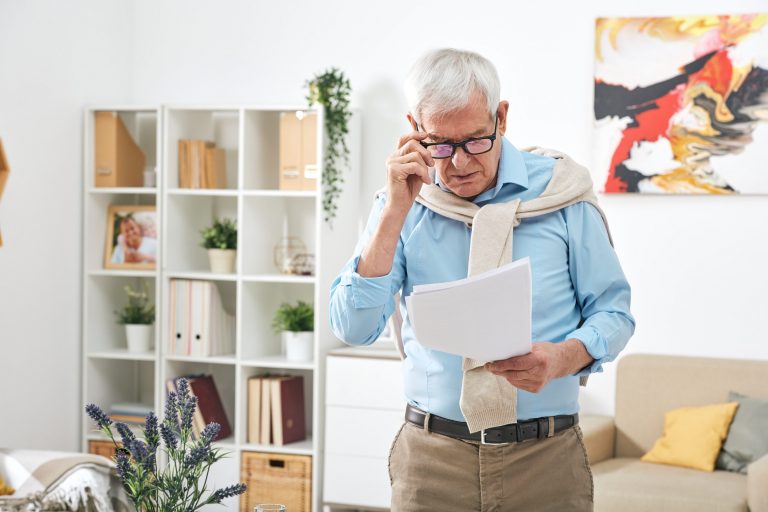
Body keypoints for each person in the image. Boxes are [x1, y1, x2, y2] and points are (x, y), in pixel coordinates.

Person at [329, 48, 635, 511]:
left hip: (545, 459)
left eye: (475, 140)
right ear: (414, 130)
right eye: (440, 145)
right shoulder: (402, 204)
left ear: (502, 118)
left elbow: (614, 314)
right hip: (432, 460)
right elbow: (353, 327)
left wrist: (564, 357)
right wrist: (394, 212)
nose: (458, 163)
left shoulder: (563, 194)